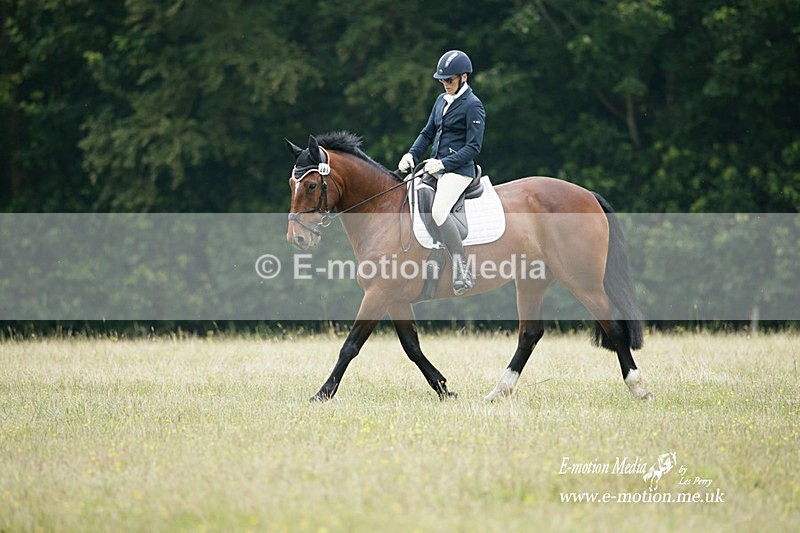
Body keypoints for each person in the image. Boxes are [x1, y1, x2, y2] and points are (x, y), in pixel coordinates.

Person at [398, 50, 485, 296]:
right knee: (410, 192)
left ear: (464, 77)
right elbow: (427, 133)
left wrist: (444, 164)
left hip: (459, 171)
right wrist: (412, 155)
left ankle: (462, 269)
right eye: (442, 81)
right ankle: (433, 250)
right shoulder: (441, 101)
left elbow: (473, 147)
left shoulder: (473, 106)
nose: (445, 84)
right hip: (435, 167)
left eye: (449, 80)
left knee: (438, 210)